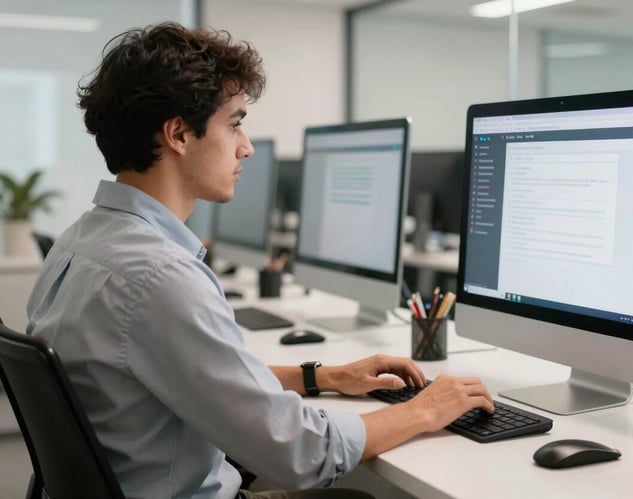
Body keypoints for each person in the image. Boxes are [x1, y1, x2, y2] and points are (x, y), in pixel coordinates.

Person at [25, 22, 493, 499]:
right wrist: (424, 409)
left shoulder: (76, 244)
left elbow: (197, 380)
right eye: (234, 123)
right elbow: (302, 454)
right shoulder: (162, 278)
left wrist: (322, 377)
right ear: (179, 134)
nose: (245, 146)